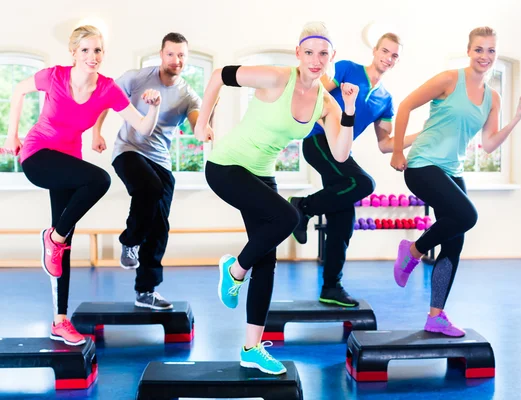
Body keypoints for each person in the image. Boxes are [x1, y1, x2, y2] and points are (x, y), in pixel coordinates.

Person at [195, 22, 358, 374]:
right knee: (288, 218)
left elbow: (341, 154)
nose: (316, 60)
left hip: (262, 172)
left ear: (332, 58)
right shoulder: (276, 78)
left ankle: (251, 348)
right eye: (310, 52)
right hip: (227, 166)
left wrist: (348, 108)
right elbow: (220, 75)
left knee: (267, 260)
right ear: (298, 53)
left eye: (323, 54)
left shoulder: (326, 102)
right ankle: (234, 269)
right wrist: (201, 122)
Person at [1, 25, 161, 345]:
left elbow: (142, 127)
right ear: (73, 53)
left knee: (64, 249)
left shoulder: (107, 89)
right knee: (99, 179)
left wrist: (154, 105)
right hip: (38, 155)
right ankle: (53, 237)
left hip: (68, 163)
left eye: (98, 50)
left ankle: (60, 320)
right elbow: (18, 90)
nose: (92, 56)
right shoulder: (55, 77)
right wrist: (11, 133)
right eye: (85, 50)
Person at [390, 27, 521, 337]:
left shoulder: (492, 97)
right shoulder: (449, 79)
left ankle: (435, 316)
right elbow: (405, 106)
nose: (485, 56)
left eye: (491, 50)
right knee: (467, 216)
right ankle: (412, 251)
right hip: (422, 165)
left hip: (452, 170)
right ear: (469, 51)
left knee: (454, 242)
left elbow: (490, 143)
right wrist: (398, 149)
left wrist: (516, 118)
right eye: (479, 49)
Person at [288, 32, 419, 307]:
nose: (388, 58)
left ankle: (331, 287)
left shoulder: (385, 100)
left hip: (341, 150)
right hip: (318, 139)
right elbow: (317, 91)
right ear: (375, 50)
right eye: (385, 51)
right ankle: (303, 206)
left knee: (343, 219)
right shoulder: (347, 68)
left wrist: (421, 135)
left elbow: (386, 144)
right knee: (363, 183)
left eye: (394, 55)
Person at [93, 32, 201, 310]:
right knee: (149, 189)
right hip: (128, 151)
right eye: (170, 54)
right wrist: (96, 132)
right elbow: (105, 98)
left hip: (161, 161)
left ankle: (146, 291)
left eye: (181, 55)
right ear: (161, 54)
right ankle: (130, 242)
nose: (176, 60)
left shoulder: (187, 93)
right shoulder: (137, 78)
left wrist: (205, 127)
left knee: (160, 226)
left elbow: (196, 119)